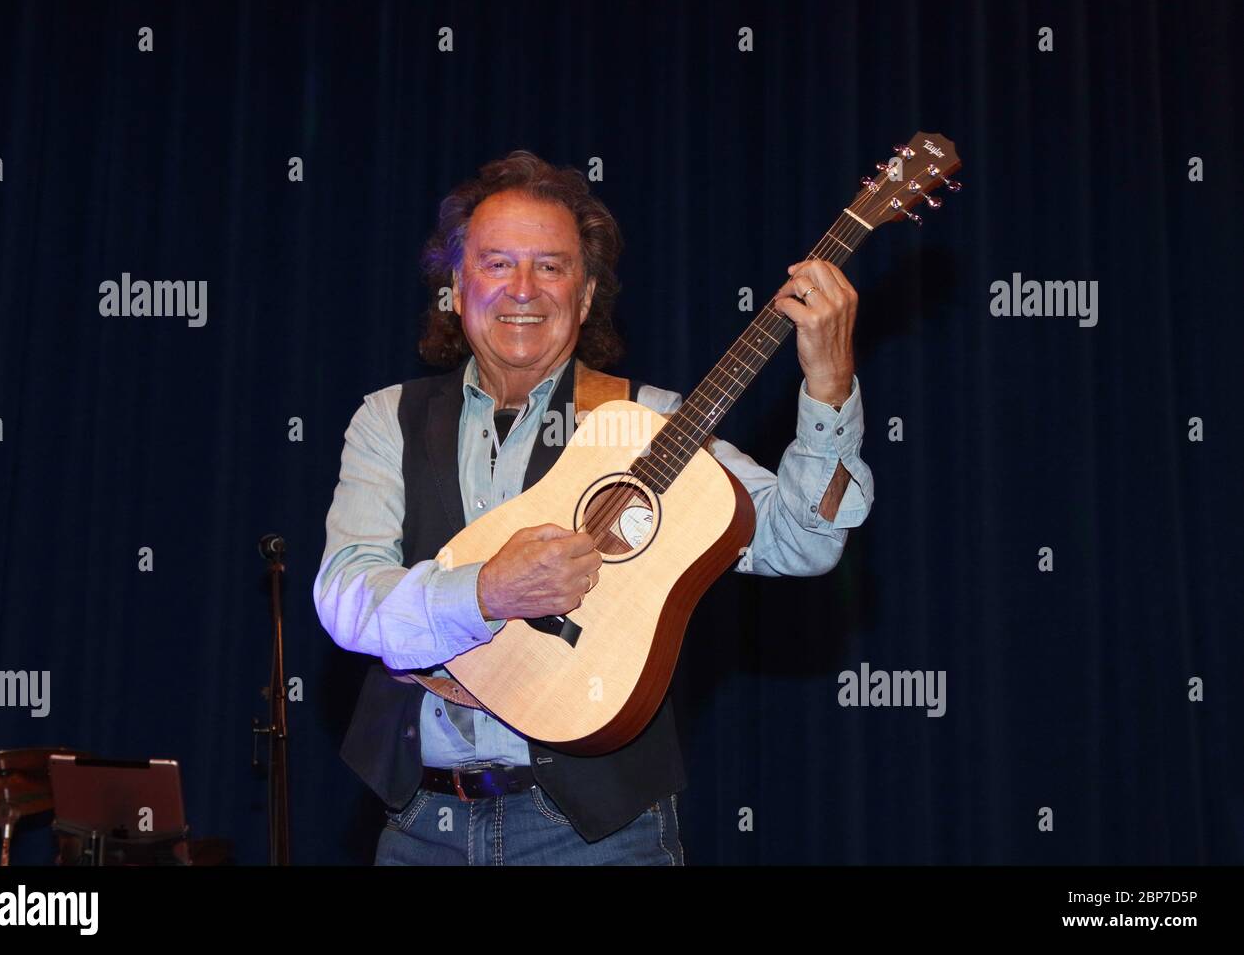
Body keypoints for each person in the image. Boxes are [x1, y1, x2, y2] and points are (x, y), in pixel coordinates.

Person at [313, 150, 874, 865]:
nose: (525, 289)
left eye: (551, 266)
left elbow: (804, 542)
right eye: (496, 264)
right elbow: (345, 594)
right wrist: (486, 591)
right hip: (424, 823)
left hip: (602, 832)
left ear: (583, 296)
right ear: (455, 288)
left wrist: (828, 386)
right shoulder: (387, 419)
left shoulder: (650, 424)